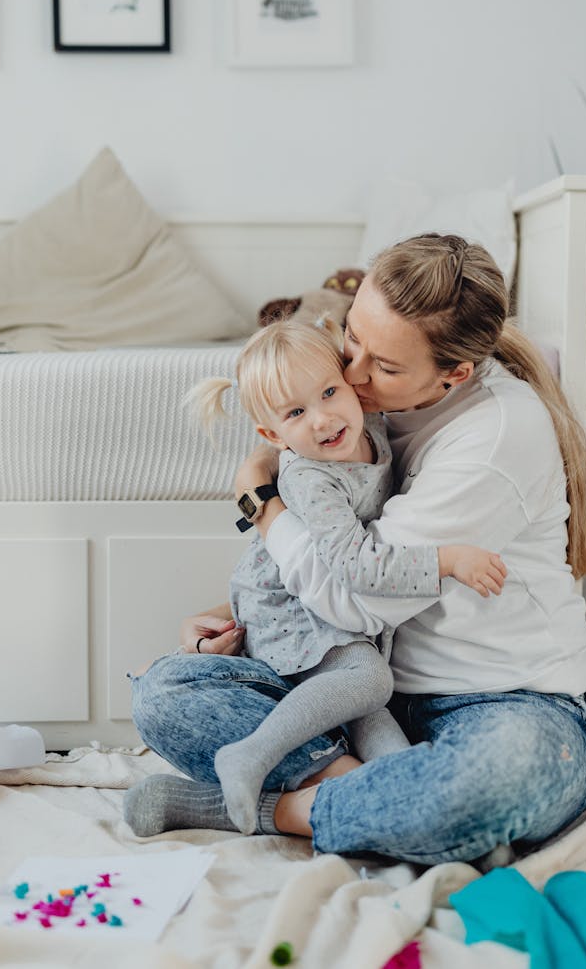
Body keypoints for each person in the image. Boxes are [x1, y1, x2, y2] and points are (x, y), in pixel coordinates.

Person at [125, 234, 586, 868]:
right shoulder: (368, 410)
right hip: (365, 692)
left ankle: (269, 810)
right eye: (353, 337)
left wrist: (261, 507)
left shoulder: (492, 439)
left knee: (492, 781)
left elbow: (357, 598)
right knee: (165, 692)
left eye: (384, 365)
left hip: (504, 702)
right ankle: (379, 796)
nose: (349, 375)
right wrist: (237, 611)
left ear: (454, 373)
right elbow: (334, 548)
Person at [182, 316, 505, 834]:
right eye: (296, 413)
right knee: (370, 680)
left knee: (387, 746)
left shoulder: (367, 425)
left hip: (330, 613)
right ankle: (250, 754)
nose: (322, 419)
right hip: (289, 612)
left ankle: (435, 818)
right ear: (273, 434)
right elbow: (356, 565)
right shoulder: (311, 477)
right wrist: (447, 560)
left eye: (330, 392)